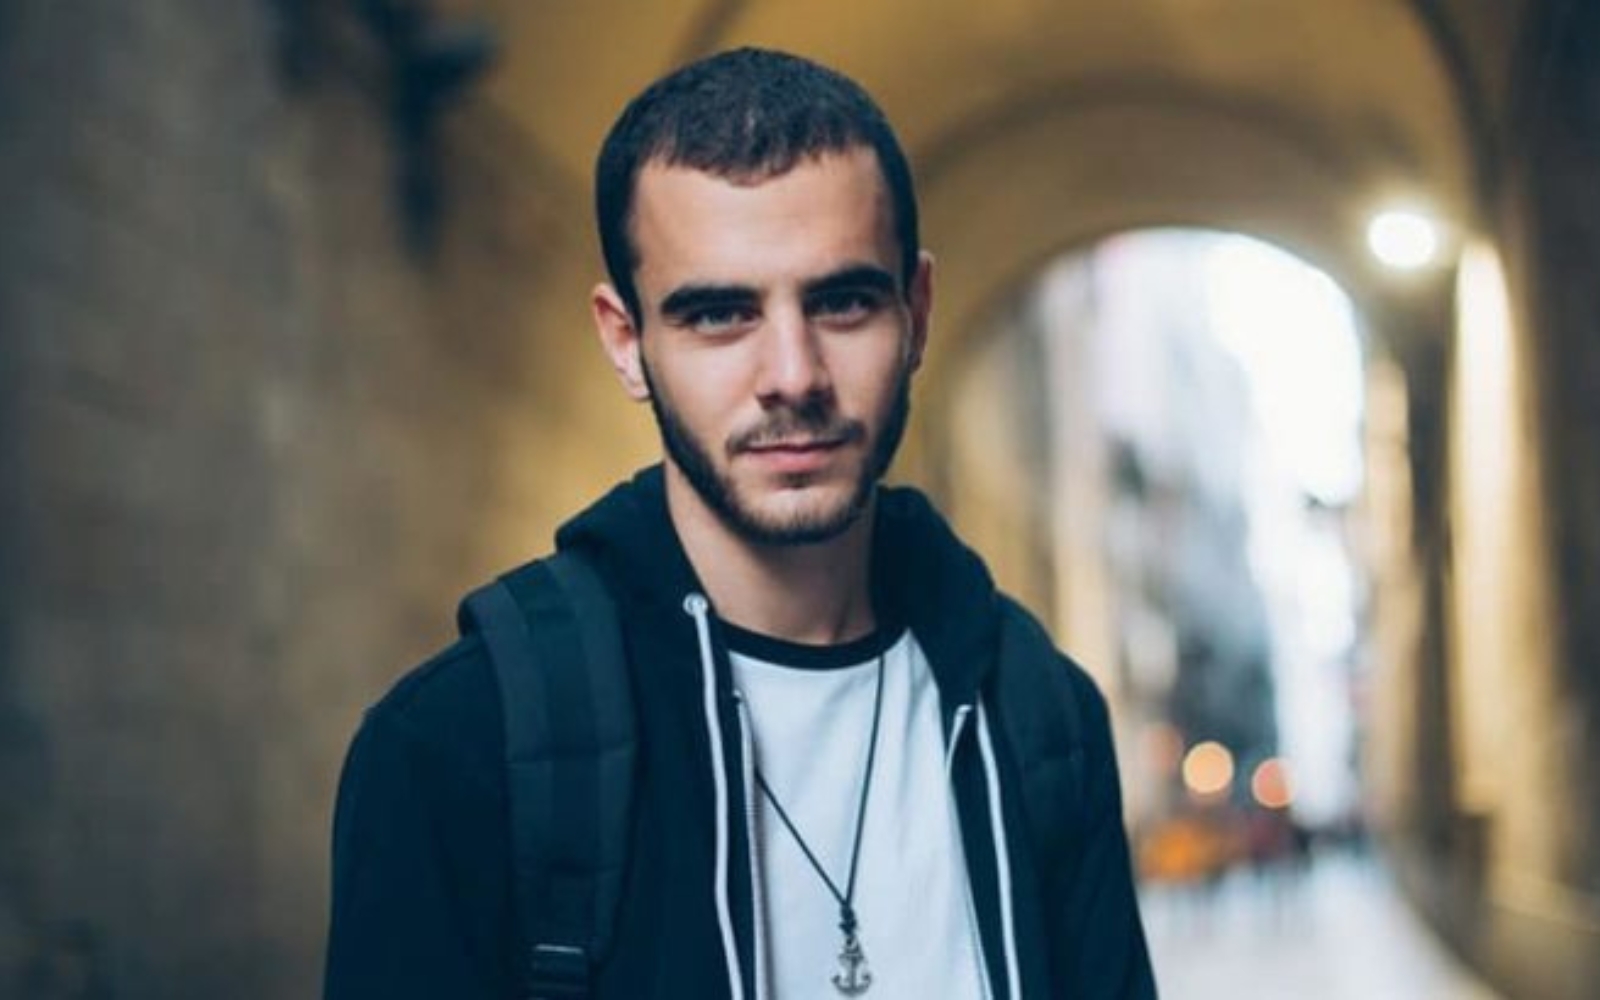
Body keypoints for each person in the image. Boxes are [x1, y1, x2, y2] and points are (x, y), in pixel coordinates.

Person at [324, 47, 1156, 1000]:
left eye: (842, 301)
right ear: (627, 341)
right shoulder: (458, 748)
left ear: (917, 313)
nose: (793, 375)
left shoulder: (1039, 716)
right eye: (720, 315)